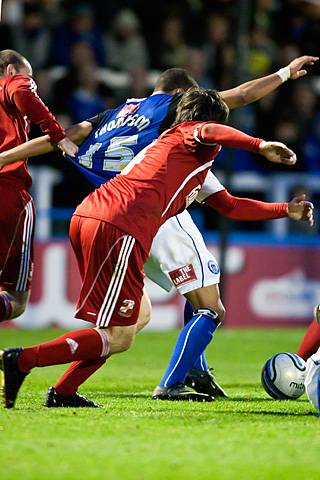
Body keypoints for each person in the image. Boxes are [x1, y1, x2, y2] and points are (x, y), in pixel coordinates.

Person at [0, 58, 316, 402]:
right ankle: (28, 360)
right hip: (128, 220)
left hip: (95, 210)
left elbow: (229, 205)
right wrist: (262, 138)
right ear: (184, 97)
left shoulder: (123, 119)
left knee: (137, 319)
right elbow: (231, 105)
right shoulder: (185, 126)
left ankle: (63, 390)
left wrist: (285, 210)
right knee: (204, 307)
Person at [0, 49, 78, 324]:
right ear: (10, 70)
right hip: (7, 191)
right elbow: (22, 91)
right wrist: (58, 135)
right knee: (15, 297)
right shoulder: (11, 82)